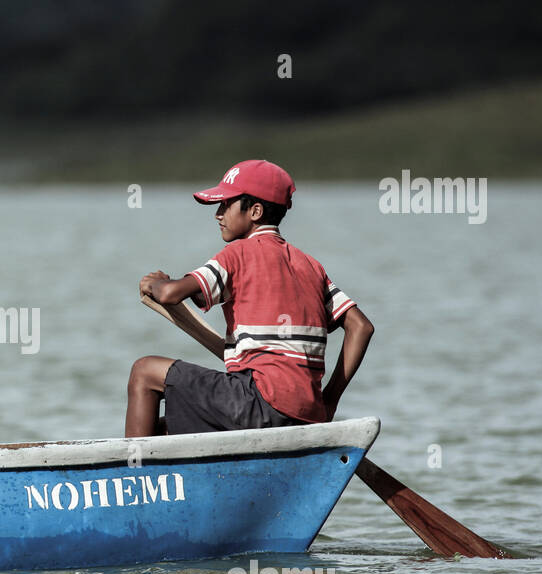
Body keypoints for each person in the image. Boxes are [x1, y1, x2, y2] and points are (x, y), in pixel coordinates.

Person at [125, 159, 373, 437]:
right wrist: (329, 401)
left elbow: (171, 295)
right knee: (164, 429)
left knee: (144, 372)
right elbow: (361, 326)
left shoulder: (237, 255)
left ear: (254, 211)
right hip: (306, 414)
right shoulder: (311, 266)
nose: (218, 214)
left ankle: (132, 475)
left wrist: (156, 283)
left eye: (225, 205)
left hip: (256, 401)